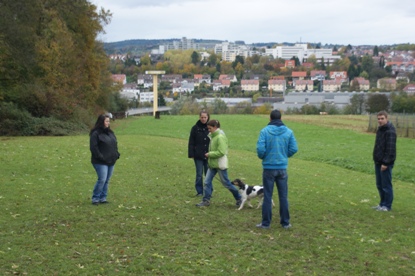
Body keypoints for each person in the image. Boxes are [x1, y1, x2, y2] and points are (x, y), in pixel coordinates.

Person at [256, 109, 298, 229]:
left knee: (267, 196)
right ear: (281, 118)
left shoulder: (264, 131)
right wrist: (285, 155)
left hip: (268, 167)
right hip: (282, 168)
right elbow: (294, 148)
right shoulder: (289, 132)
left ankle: (266, 223)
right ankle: (285, 222)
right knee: (283, 196)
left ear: (270, 118)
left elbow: (260, 150)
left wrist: (263, 157)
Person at [196, 119, 242, 207]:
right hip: (212, 164)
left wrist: (209, 154)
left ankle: (239, 198)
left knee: (227, 183)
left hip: (220, 164)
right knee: (206, 182)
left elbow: (221, 152)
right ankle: (206, 200)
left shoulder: (220, 137)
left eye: (210, 128)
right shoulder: (213, 136)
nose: (208, 130)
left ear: (215, 127)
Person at [90, 114, 120, 205]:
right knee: (102, 179)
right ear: (101, 122)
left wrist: (116, 154)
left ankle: (103, 198)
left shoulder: (110, 133)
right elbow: (93, 147)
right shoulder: (95, 134)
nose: (108, 123)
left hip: (111, 160)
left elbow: (114, 144)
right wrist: (100, 157)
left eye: (108, 121)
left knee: (107, 180)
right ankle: (95, 198)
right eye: (106, 121)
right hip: (100, 161)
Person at [372, 111, 396, 212]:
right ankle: (381, 204)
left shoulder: (390, 131)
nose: (380, 121)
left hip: (385, 163)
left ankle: (387, 205)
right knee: (379, 184)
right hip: (378, 161)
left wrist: (386, 163)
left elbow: (390, 149)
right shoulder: (380, 130)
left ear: (387, 118)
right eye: (378, 119)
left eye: (382, 118)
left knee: (386, 185)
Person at [188, 111, 210, 196]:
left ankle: (208, 191)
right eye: (202, 117)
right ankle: (200, 191)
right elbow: (191, 142)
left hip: (208, 155)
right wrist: (191, 154)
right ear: (199, 117)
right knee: (199, 174)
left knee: (208, 174)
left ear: (207, 117)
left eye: (205, 117)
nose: (203, 119)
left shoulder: (210, 128)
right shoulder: (195, 128)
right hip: (198, 155)